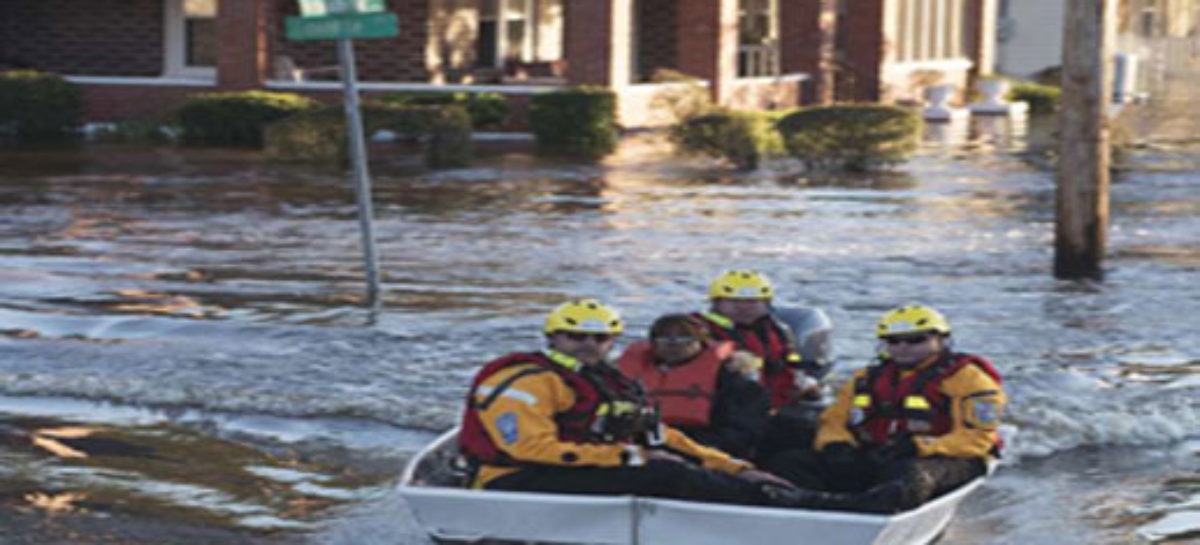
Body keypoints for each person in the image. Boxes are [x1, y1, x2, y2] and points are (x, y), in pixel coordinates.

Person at [457, 299, 794, 505]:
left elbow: (663, 436)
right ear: (553, 338)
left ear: (611, 342)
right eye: (576, 337)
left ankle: (763, 491)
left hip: (577, 466)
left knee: (675, 460)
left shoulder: (609, 380)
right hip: (515, 477)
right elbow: (528, 449)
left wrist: (737, 468)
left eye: (600, 338)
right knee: (663, 473)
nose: (588, 345)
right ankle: (777, 505)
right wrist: (631, 455)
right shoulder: (527, 382)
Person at [763, 304, 1006, 513]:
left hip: (944, 459)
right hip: (878, 453)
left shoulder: (969, 378)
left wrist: (920, 446)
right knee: (791, 462)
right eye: (893, 341)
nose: (903, 347)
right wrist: (837, 444)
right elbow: (834, 419)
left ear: (941, 340)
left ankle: (855, 509)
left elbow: (978, 439)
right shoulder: (866, 378)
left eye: (916, 339)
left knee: (911, 476)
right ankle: (822, 509)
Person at [616, 314, 771, 460]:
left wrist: (694, 451)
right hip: (640, 447)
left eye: (685, 339)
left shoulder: (732, 381)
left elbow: (741, 433)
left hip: (705, 449)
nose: (674, 345)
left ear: (702, 343)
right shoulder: (622, 376)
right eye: (664, 339)